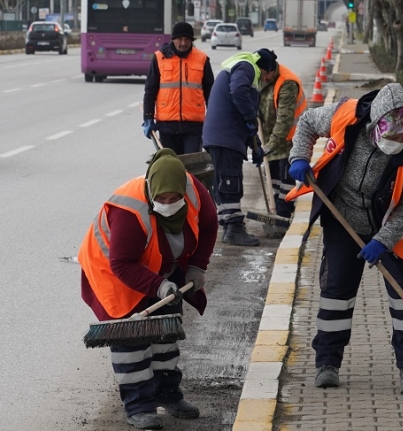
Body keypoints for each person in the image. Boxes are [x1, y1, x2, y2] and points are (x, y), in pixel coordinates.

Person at [286, 83, 403, 394]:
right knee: (336, 294)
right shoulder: (346, 116)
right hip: (343, 219)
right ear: (375, 126)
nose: (397, 143)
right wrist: (298, 157)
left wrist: (383, 240)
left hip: (394, 226)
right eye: (391, 137)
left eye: (402, 138)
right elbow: (306, 123)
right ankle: (327, 363)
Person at [78, 148, 218, 430]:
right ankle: (139, 406)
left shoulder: (194, 191)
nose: (167, 203)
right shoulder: (129, 210)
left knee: (166, 333)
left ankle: (168, 394)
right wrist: (158, 285)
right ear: (151, 192)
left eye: (173, 198)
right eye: (161, 199)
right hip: (114, 272)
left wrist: (197, 267)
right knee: (132, 343)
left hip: (161, 266)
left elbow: (209, 225)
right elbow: (122, 263)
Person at [202, 50, 278, 246]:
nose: (268, 79)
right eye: (270, 74)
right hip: (225, 136)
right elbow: (238, 93)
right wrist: (251, 118)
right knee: (230, 182)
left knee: (227, 180)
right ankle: (233, 229)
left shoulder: (241, 67)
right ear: (266, 69)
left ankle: (230, 224)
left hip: (223, 135)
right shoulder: (247, 67)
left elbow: (240, 114)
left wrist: (256, 145)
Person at [253, 48, 307, 237]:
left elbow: (284, 121)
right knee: (273, 181)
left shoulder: (287, 83)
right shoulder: (259, 77)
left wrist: (269, 146)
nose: (264, 78)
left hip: (290, 141)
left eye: (266, 74)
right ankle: (275, 214)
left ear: (272, 69)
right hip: (271, 141)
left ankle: (283, 217)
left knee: (286, 183)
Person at [142, 22, 215, 155]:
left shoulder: (202, 59)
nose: (183, 43)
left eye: (187, 40)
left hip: (193, 126)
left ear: (192, 41)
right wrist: (148, 117)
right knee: (171, 168)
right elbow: (150, 90)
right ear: (173, 40)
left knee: (191, 167)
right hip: (167, 126)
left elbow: (211, 92)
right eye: (180, 39)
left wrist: (214, 118)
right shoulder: (159, 58)